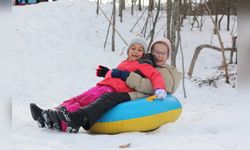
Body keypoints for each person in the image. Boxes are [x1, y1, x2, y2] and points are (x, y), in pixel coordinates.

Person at [30, 37, 167, 132]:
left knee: (87, 101)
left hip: (112, 90)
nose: (136, 52)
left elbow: (155, 75)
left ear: (143, 53)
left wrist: (160, 88)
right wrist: (108, 73)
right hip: (102, 86)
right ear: (128, 50)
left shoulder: (142, 65)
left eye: (139, 50)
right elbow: (112, 75)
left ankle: (66, 122)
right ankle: (50, 114)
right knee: (79, 98)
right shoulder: (123, 63)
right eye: (133, 48)